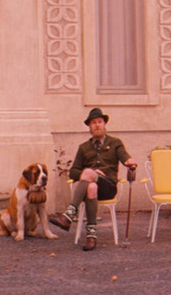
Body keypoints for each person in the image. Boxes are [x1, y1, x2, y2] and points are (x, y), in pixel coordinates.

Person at [49, 107, 137, 251]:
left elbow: (124, 156)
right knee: (91, 187)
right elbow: (73, 172)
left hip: (108, 186)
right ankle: (91, 237)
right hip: (93, 187)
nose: (97, 125)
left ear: (104, 124)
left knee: (89, 175)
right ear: (89, 127)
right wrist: (88, 173)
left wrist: (129, 161)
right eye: (93, 123)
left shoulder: (115, 143)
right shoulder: (83, 148)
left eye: (99, 122)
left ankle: (69, 216)